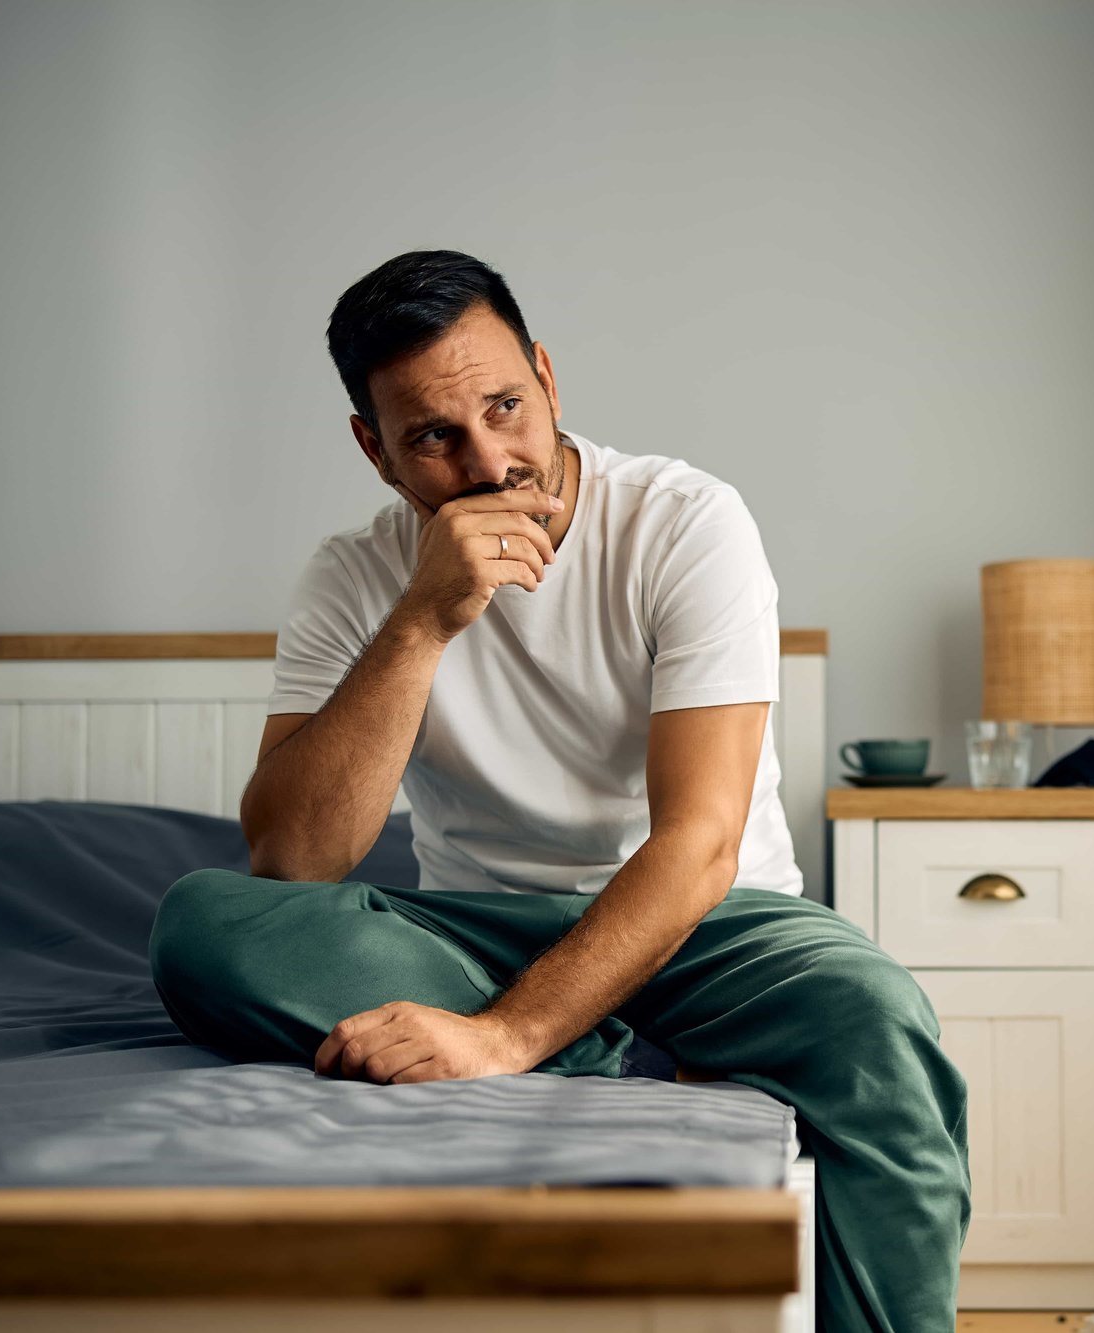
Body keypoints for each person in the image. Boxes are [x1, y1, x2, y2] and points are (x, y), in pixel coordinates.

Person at [145, 249, 970, 1331]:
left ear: (546, 375)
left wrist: (504, 1040)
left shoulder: (685, 523)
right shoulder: (354, 575)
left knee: (878, 1017)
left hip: (713, 923)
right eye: (434, 437)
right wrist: (422, 620)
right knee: (202, 925)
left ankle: (585, 1037)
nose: (489, 461)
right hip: (480, 929)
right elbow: (296, 861)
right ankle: (621, 1043)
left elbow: (700, 842)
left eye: (503, 406)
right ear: (374, 449)